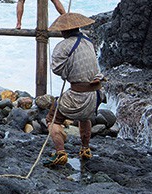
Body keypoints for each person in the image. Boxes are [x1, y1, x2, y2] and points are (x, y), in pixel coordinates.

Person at [43, 12, 105, 167]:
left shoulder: (63, 46)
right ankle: (85, 149)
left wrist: (68, 71)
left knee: (52, 119)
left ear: (63, 31)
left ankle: (60, 153)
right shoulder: (88, 41)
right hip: (96, 94)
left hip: (78, 94)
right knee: (85, 118)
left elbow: (57, 69)